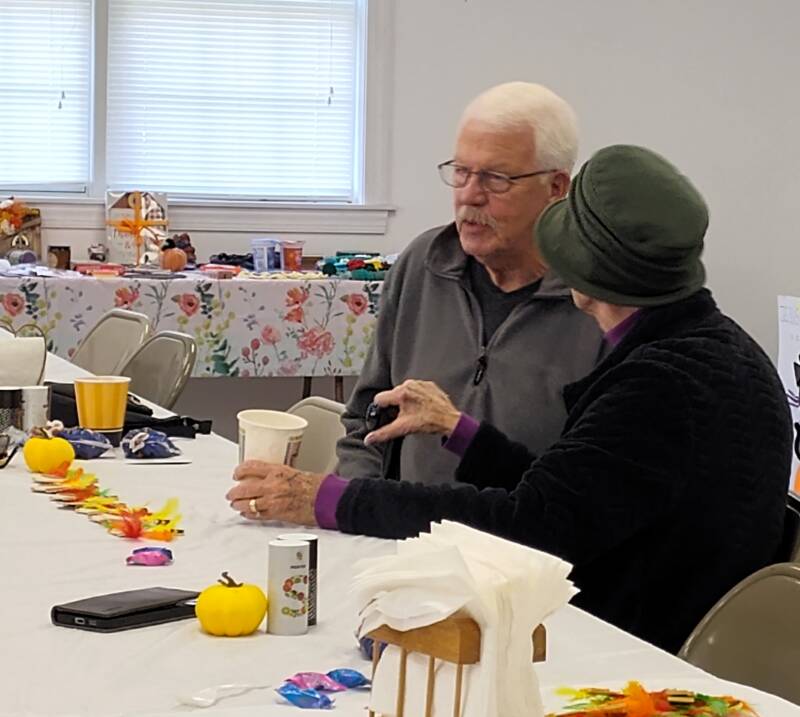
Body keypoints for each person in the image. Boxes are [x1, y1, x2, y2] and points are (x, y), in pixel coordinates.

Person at [227, 145, 792, 653]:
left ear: (584, 270)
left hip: (626, 653)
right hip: (654, 623)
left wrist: (333, 498)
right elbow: (575, 498)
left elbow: (531, 525)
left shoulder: (660, 384)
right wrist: (460, 430)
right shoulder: (721, 348)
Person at [335, 81, 604, 486]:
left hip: (527, 525)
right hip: (407, 522)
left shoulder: (599, 301)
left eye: (496, 179)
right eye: (461, 172)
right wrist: (361, 500)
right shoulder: (423, 264)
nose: (470, 196)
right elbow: (365, 421)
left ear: (556, 188)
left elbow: (595, 486)